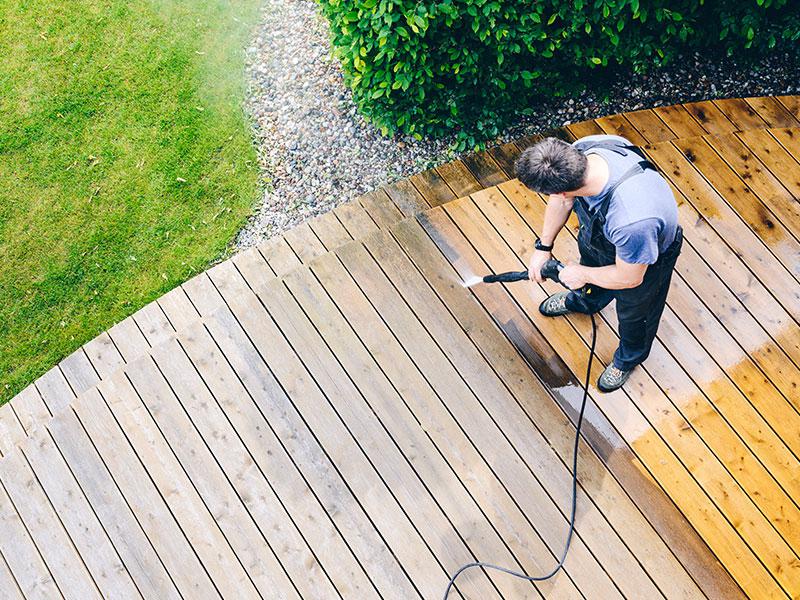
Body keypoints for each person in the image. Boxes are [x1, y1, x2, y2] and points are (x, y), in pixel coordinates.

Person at [514, 135, 683, 392]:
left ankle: (628, 359)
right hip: (600, 240)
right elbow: (563, 200)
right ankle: (586, 302)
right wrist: (543, 247)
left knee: (636, 316)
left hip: (644, 262)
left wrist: (581, 273)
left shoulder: (632, 220)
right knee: (590, 279)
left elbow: (629, 278)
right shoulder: (582, 151)